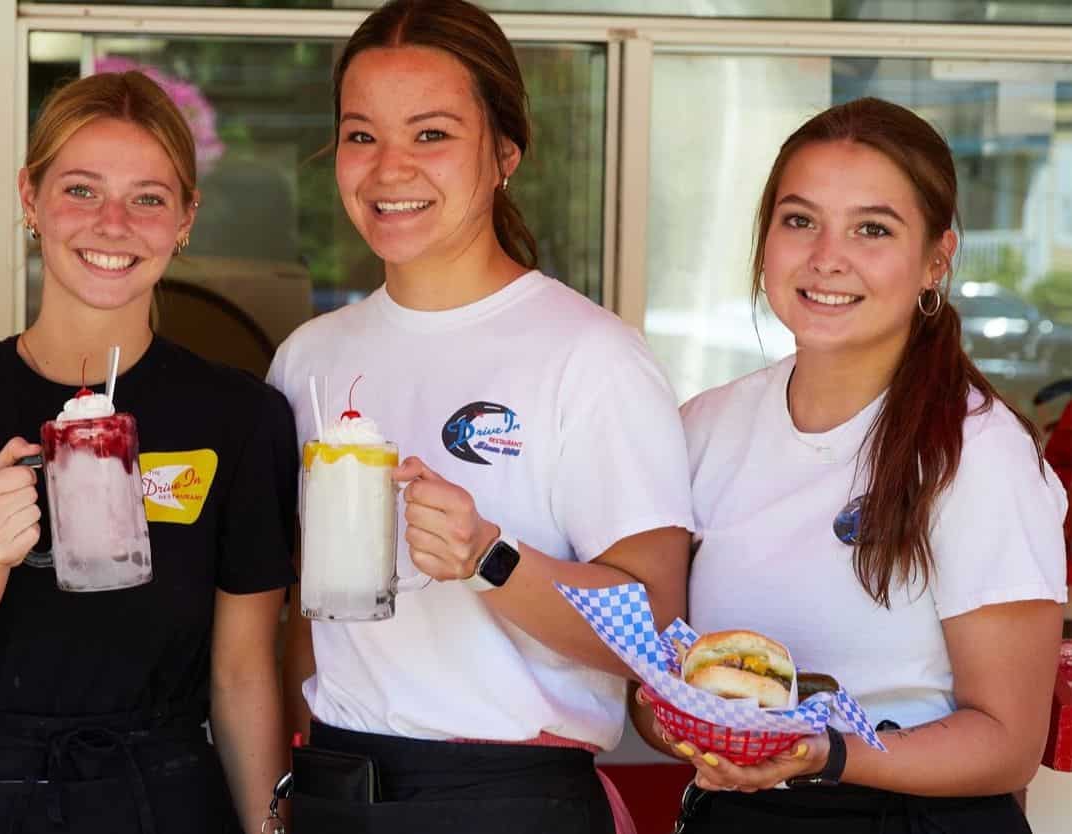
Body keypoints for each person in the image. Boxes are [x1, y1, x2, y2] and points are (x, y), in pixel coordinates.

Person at [266, 1, 693, 832]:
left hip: (509, 799)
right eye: (361, 135)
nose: (389, 168)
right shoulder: (308, 359)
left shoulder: (591, 356)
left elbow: (658, 635)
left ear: (504, 153)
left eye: (431, 134)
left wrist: (491, 557)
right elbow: (298, 619)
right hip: (335, 786)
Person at [0, 71, 297, 834]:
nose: (112, 224)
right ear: (29, 198)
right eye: (80, 190)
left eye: (148, 198)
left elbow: (243, 674)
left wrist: (269, 829)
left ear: (185, 218)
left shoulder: (241, 417)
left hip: (170, 799)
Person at [633, 97, 1068, 833]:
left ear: (937, 259)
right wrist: (676, 717)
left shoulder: (979, 452)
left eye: (872, 229)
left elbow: (1006, 742)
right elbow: (658, 694)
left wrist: (825, 754)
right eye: (799, 220)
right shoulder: (703, 428)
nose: (827, 257)